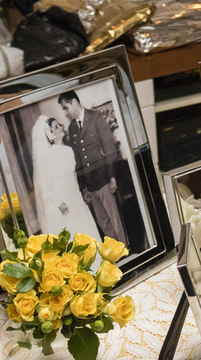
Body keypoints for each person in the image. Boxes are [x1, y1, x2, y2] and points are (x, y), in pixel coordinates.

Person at [58, 90, 129, 245]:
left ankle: (126, 251)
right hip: (90, 184)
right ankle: (116, 253)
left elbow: (109, 148)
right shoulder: (72, 129)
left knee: (114, 218)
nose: (66, 112)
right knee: (103, 222)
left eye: (65, 107)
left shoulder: (95, 117)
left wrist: (112, 177)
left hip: (104, 178)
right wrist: (83, 187)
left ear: (74, 102)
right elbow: (78, 161)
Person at [29, 114, 102, 242]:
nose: (60, 128)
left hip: (75, 196)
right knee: (72, 234)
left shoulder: (69, 150)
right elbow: (46, 183)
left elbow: (74, 175)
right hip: (62, 201)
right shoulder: (49, 157)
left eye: (59, 125)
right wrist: (58, 203)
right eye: (56, 127)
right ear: (50, 134)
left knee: (85, 228)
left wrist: (81, 193)